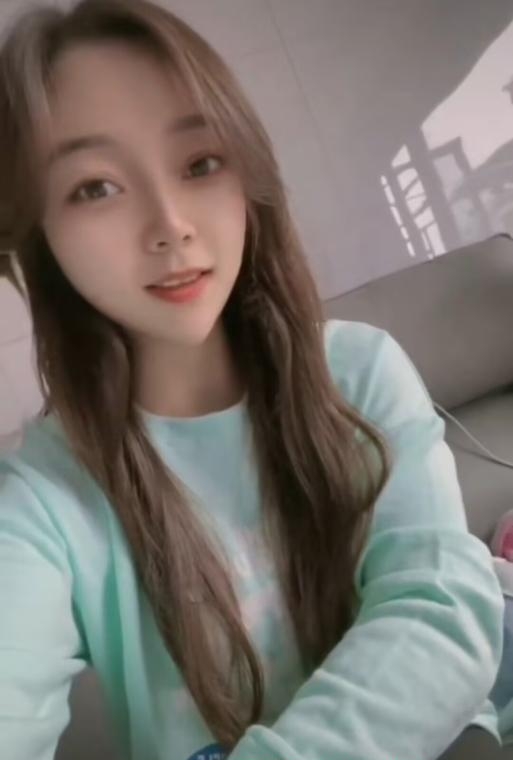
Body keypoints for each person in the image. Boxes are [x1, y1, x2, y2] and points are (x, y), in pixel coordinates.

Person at [0, 1, 505, 759]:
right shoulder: (43, 497)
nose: (170, 224)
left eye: (200, 163)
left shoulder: (357, 372)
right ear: (39, 231)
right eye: (96, 187)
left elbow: (439, 607)